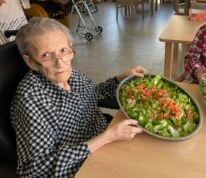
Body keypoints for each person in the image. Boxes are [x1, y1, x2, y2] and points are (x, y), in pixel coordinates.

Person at [10, 17, 146, 177]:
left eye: (63, 51)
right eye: (46, 55)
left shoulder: (71, 73)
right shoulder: (31, 99)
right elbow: (34, 170)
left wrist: (119, 78)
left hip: (105, 141)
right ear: (30, 62)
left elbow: (94, 93)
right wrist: (107, 137)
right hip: (79, 167)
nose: (60, 64)